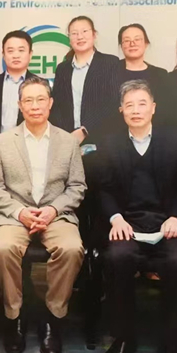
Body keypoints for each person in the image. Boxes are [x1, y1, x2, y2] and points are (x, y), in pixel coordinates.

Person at [98, 80, 177, 353]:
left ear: (153, 107)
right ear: (121, 110)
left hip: (168, 224)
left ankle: (172, 344)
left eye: (142, 104)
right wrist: (115, 218)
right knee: (117, 258)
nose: (136, 110)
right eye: (129, 105)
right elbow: (103, 188)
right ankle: (124, 337)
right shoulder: (111, 143)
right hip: (129, 223)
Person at [0, 76, 86, 353]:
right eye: (28, 100)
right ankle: (14, 315)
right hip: (15, 214)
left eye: (40, 99)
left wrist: (53, 210)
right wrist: (20, 212)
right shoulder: (2, 142)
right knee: (2, 248)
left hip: (56, 214)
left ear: (50, 103)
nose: (34, 106)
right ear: (19, 105)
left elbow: (77, 186)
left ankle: (53, 317)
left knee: (71, 249)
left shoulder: (68, 141)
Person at [49, 15, 120, 257]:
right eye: (74, 33)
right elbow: (57, 107)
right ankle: (78, 261)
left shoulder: (110, 64)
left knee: (99, 202)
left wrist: (85, 130)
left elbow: (113, 104)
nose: (79, 37)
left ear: (94, 35)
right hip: (69, 146)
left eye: (84, 31)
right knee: (74, 203)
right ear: (68, 37)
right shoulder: (63, 68)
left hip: (101, 146)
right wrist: (67, 136)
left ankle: (98, 262)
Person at [0, 30, 38, 160]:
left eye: (21, 50)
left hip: (29, 153)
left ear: (30, 54)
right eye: (10, 51)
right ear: (3, 55)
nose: (16, 55)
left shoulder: (40, 86)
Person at [117, 23, 171, 126]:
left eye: (137, 39)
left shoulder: (161, 75)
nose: (132, 44)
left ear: (146, 43)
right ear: (121, 46)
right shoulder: (109, 72)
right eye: (127, 40)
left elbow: (164, 112)